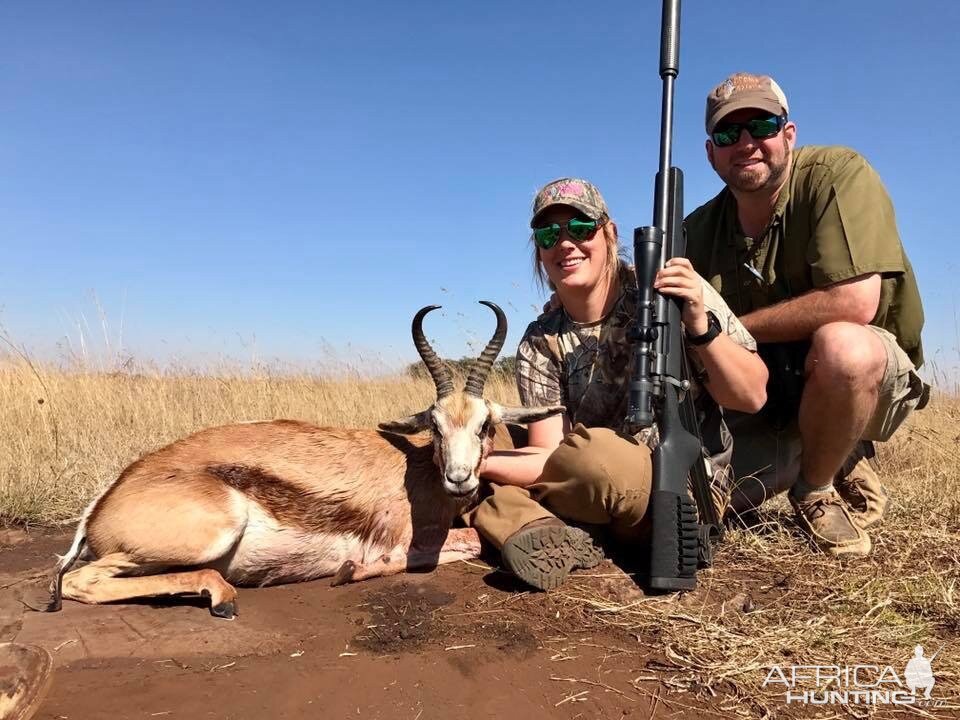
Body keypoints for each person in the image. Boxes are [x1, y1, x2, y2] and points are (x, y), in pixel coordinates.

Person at [463, 177, 769, 591]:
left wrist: (699, 326)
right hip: (589, 480)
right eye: (549, 233)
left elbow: (752, 396)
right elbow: (548, 452)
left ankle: (522, 515)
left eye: (581, 229)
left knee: (590, 457)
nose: (565, 243)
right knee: (487, 435)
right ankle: (551, 532)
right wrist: (467, 458)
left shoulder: (672, 292)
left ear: (610, 234)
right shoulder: (540, 339)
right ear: (539, 250)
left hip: (679, 489)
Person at [684, 73, 928, 558]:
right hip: (761, 397)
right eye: (729, 134)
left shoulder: (838, 173)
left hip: (857, 377)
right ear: (711, 153)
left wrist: (728, 329)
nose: (747, 143)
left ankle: (815, 487)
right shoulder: (696, 228)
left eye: (762, 126)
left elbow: (855, 303)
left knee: (845, 347)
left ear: (788, 135)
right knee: (691, 506)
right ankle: (822, 455)